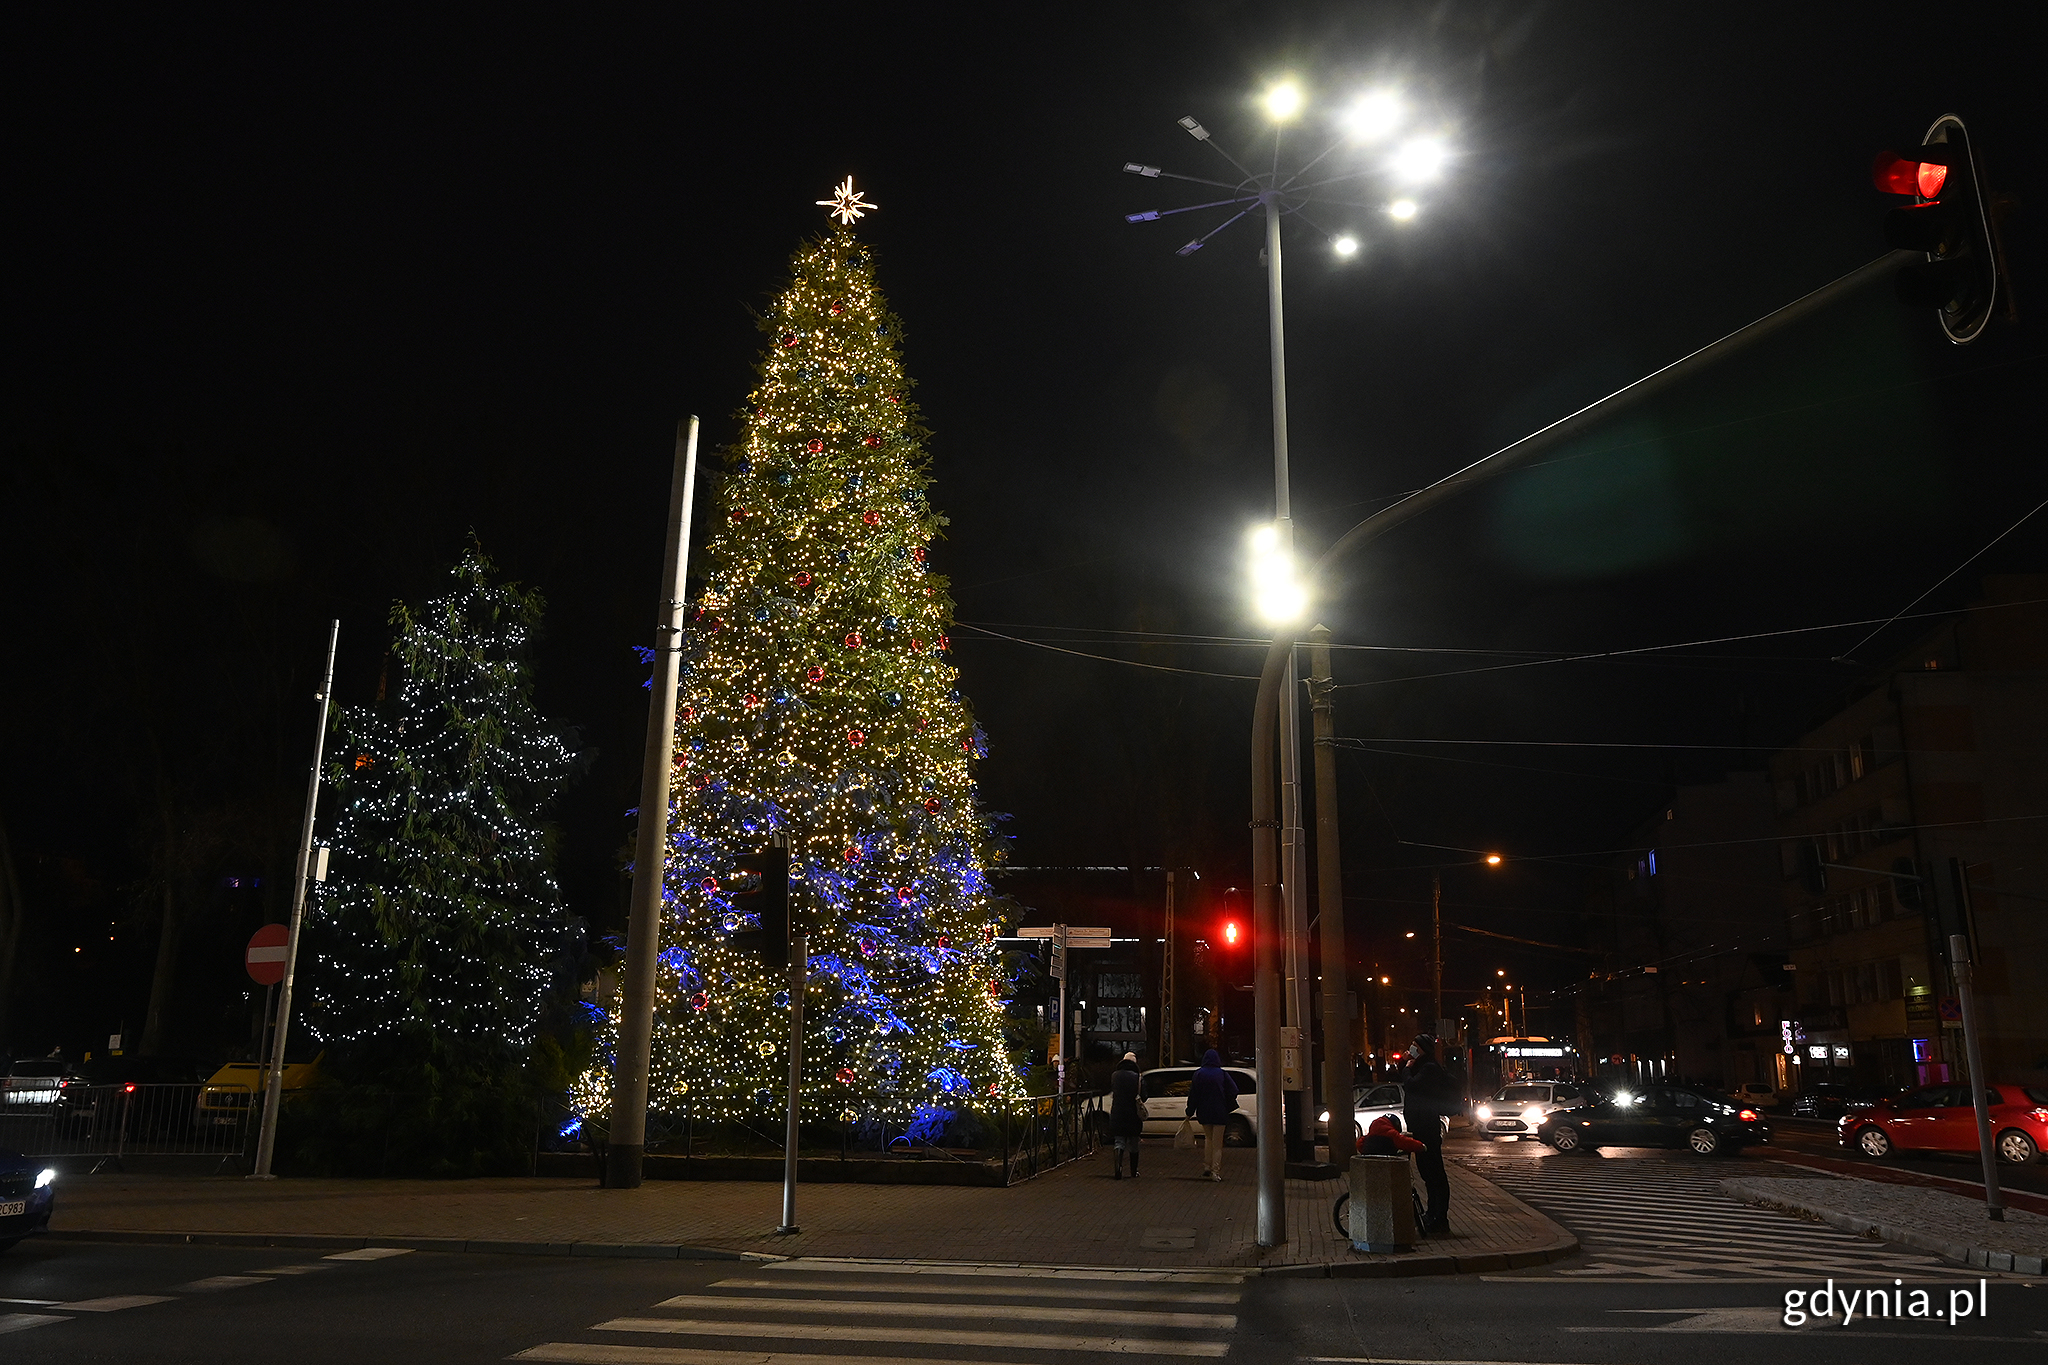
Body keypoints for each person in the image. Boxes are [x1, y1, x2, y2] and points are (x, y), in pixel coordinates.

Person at [1401, 1033, 1460, 1235]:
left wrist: (1407, 1069)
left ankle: (1439, 1217)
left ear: (1423, 1049)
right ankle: (1432, 1213)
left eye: (1415, 1046)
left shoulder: (1429, 1068)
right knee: (1427, 1173)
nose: (1411, 1048)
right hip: (1421, 1126)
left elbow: (1412, 1085)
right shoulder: (1422, 1066)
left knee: (1435, 1174)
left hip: (1428, 1127)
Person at [1185, 1048, 1239, 1181]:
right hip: (1220, 1112)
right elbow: (1234, 1090)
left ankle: (1207, 1167)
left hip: (1204, 1112)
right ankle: (1216, 1171)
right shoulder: (1222, 1074)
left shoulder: (1198, 1074)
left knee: (1208, 1139)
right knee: (1217, 1143)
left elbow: (1194, 1095)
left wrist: (1189, 1112)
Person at [1108, 1051, 1143, 1179]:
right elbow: (1144, 1095)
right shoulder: (1138, 1077)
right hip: (1133, 1113)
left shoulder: (1114, 1075)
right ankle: (1134, 1171)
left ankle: (1118, 1169)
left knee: (1119, 1141)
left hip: (1118, 1111)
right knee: (1133, 1143)